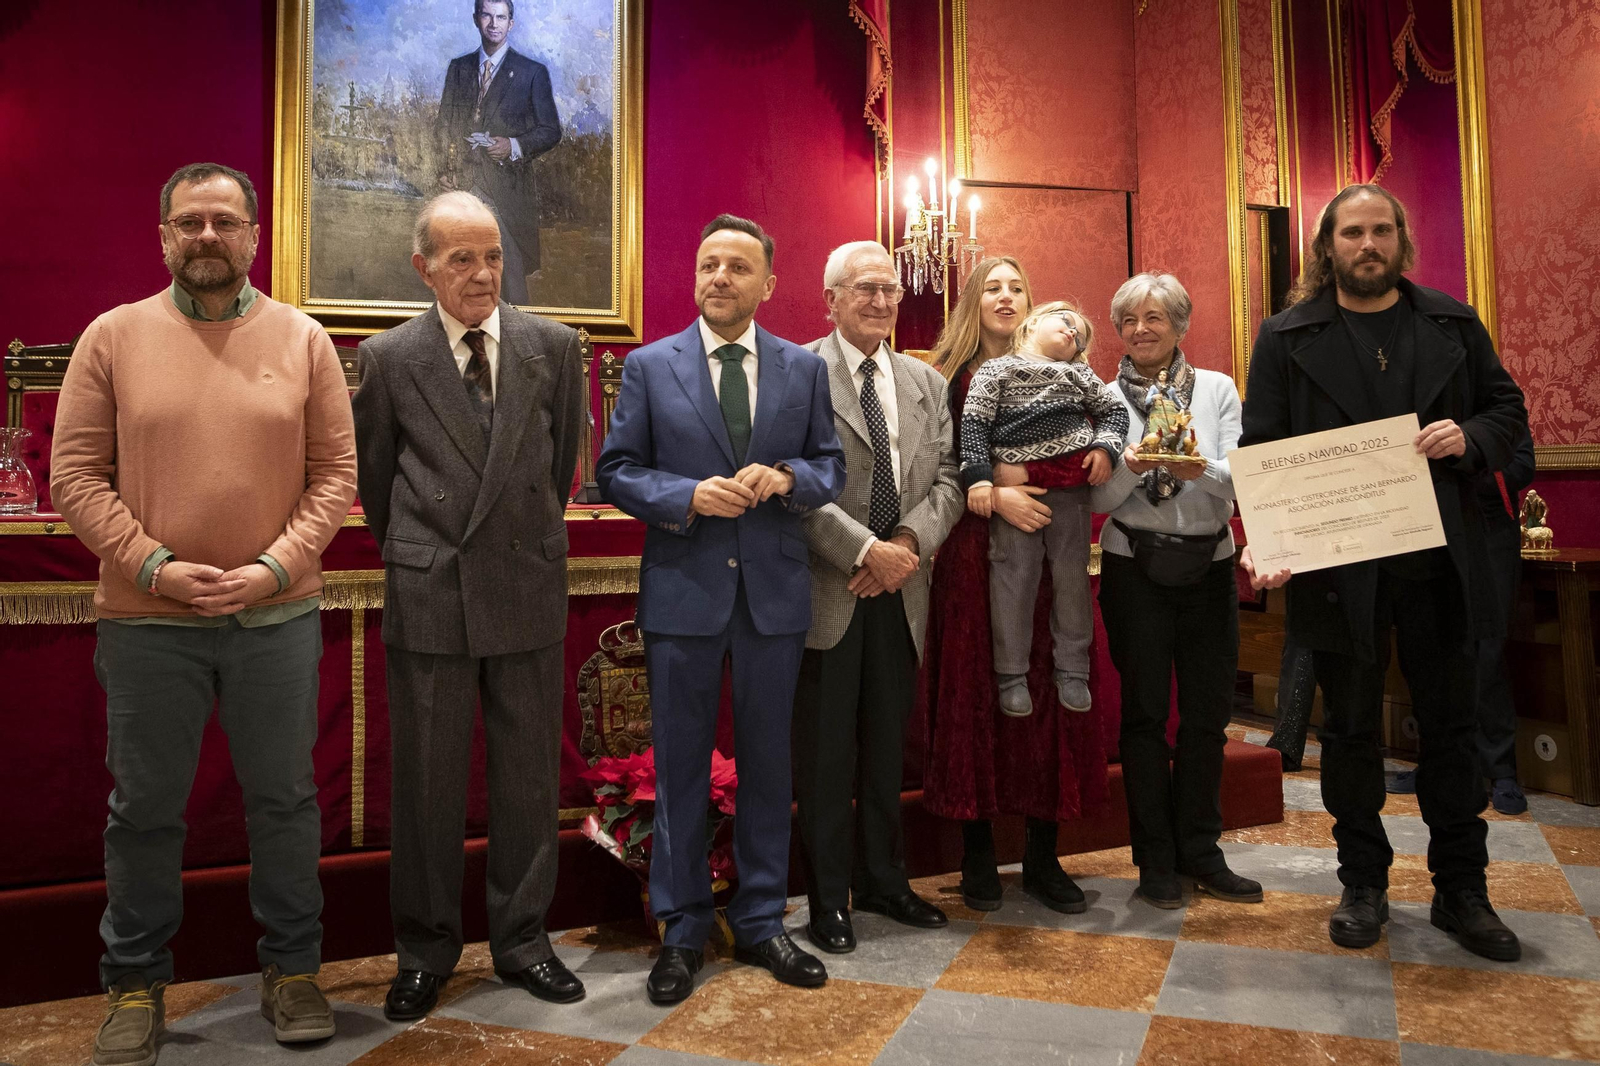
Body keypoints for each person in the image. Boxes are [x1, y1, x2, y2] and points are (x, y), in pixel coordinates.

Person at [51, 162, 356, 1063]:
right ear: (164, 238)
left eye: (225, 221)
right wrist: (156, 566)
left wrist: (270, 570)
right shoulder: (111, 337)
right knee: (144, 811)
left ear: (255, 236)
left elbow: (335, 478)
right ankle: (136, 982)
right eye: (190, 223)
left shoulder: (305, 341)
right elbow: (73, 476)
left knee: (286, 804)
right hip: (148, 624)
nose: (207, 237)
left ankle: (294, 970)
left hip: (276, 618)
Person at [1240, 184, 1529, 961]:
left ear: (1402, 241)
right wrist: (1265, 538)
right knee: (1352, 732)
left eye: (1380, 231)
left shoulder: (1452, 322)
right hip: (1339, 568)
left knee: (1453, 731)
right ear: (1326, 247)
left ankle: (1461, 890)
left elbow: (1509, 415)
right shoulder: (1285, 336)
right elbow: (1265, 451)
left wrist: (1466, 436)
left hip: (1441, 563)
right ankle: (1362, 882)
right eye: (1350, 233)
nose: (1366, 245)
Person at [596, 215, 846, 1004]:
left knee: (771, 764)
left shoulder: (802, 370)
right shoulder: (649, 366)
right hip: (686, 592)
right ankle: (684, 929)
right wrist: (687, 495)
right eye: (708, 264)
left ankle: (765, 921)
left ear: (768, 283)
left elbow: (830, 465)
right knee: (677, 768)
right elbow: (616, 472)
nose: (720, 278)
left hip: (772, 595)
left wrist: (791, 480)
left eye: (738, 267)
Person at [352, 191, 585, 1020]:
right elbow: (378, 487)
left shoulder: (553, 347)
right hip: (432, 592)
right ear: (423, 268)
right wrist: (428, 549)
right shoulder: (386, 358)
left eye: (492, 256)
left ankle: (525, 942)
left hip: (525, 580)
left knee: (528, 783)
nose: (483, 273)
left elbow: (559, 473)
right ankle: (424, 951)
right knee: (427, 787)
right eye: (462, 259)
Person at [919, 257, 1110, 916]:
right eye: (992, 287)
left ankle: (1042, 854)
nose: (1006, 296)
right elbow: (941, 471)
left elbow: (1095, 436)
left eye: (1017, 287)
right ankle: (976, 852)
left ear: (1035, 304)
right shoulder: (952, 381)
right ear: (974, 302)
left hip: (1053, 549)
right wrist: (998, 493)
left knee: (1052, 695)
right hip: (977, 555)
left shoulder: (1067, 375)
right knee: (982, 693)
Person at [793, 242, 965, 954]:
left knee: (889, 749)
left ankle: (886, 881)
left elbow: (951, 479)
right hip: (827, 590)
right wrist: (865, 551)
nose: (882, 301)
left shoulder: (925, 381)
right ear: (829, 297)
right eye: (865, 289)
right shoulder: (798, 372)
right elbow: (791, 480)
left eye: (890, 290)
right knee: (828, 755)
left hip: (903, 593)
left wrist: (906, 550)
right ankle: (829, 898)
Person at [1091, 272, 1263, 910]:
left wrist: (1195, 465)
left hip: (1209, 565)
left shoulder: (1216, 389)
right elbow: (1098, 500)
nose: (1141, 329)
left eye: (1155, 317)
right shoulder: (1105, 399)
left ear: (1181, 326)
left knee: (1207, 717)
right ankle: (1154, 861)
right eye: (1130, 319)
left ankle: (1202, 851)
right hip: (1133, 564)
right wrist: (1135, 468)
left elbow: (1234, 485)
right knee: (1141, 717)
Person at [961, 301, 1126, 718]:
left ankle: (1073, 667)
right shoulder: (996, 370)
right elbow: (974, 426)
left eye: (1081, 337)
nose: (1074, 332)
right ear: (1035, 321)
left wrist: (1106, 448)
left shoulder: (1079, 374)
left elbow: (1114, 412)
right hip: (1018, 492)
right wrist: (980, 480)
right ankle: (1011, 674)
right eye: (1066, 321)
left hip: (1071, 490)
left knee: (1072, 578)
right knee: (1013, 578)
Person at [1389, 423, 1536, 814]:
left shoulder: (1494, 408)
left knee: (1487, 652)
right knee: (1434, 651)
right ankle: (1437, 763)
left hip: (1488, 531)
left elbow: (1521, 466)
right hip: (1428, 533)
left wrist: (1460, 468)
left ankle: (1500, 770)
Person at [436, 0, 561, 305]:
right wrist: (443, 170)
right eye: (487, 16)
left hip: (508, 192)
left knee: (509, 272)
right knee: (458, 270)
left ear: (511, 24)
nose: (494, 24)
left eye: (501, 17)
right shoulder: (459, 68)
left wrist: (513, 146)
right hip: (463, 189)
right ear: (476, 19)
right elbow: (443, 126)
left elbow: (550, 130)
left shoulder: (532, 72)